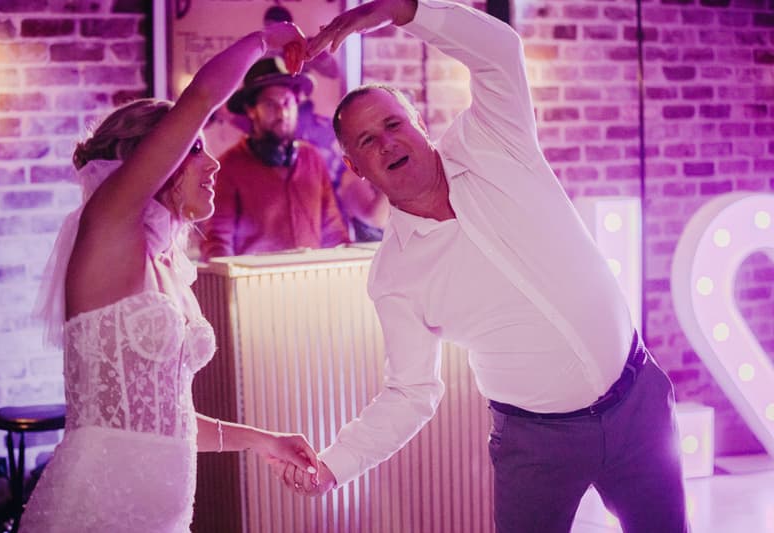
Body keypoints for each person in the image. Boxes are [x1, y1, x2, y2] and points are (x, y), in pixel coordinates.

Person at [278, 1, 690, 532]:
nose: (388, 142)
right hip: (536, 445)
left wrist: (402, 10)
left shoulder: (493, 140)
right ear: (356, 168)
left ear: (419, 124)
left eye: (393, 123)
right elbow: (410, 393)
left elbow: (499, 52)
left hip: (640, 405)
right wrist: (333, 467)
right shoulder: (394, 275)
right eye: (368, 141)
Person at [24, 22, 318, 532]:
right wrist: (261, 43)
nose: (212, 165)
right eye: (196, 149)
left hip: (164, 516)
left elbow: (165, 421)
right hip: (95, 510)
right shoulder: (109, 230)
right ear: (151, 162)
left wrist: (263, 440)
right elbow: (202, 96)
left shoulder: (165, 265)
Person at [199, 56, 349, 259]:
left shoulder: (312, 158)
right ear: (251, 110)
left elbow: (334, 230)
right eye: (270, 105)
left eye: (287, 103)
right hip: (255, 285)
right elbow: (218, 242)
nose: (282, 113)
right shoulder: (228, 166)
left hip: (311, 282)